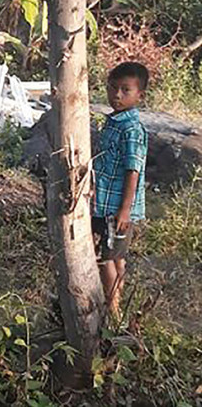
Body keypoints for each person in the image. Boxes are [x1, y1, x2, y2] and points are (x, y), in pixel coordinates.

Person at [92, 61, 149, 318]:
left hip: (115, 209)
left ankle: (113, 311)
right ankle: (116, 303)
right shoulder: (114, 122)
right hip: (104, 204)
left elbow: (132, 171)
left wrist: (124, 210)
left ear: (140, 96)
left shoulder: (131, 129)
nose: (117, 95)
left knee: (107, 258)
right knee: (116, 257)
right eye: (113, 88)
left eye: (125, 90)